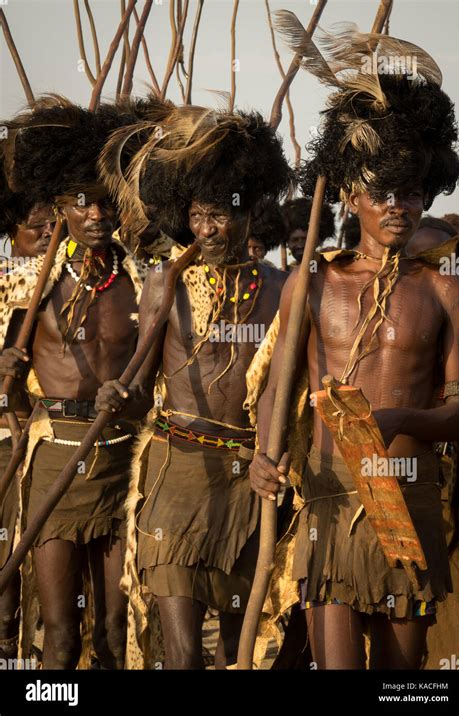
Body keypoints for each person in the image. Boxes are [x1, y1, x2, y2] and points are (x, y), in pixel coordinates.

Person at [249, 26, 459, 669]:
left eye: (409, 191)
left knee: (402, 679)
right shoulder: (311, 283)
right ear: (351, 195)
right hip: (331, 493)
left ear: (426, 192)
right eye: (381, 190)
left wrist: (402, 421)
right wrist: (266, 455)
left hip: (410, 493)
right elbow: (277, 391)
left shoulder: (445, 292)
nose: (397, 205)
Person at [96, 105, 292, 668]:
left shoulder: (284, 289)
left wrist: (272, 459)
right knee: (183, 654)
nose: (206, 230)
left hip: (249, 479)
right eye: (198, 216)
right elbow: (138, 379)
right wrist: (120, 395)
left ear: (251, 211)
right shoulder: (166, 282)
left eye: (218, 217)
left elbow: (288, 393)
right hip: (175, 467)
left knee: (234, 647)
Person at [0, 96, 144, 669]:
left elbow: (159, 372)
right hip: (53, 458)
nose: (96, 215)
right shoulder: (27, 286)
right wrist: (6, 376)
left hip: (120, 464)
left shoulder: (143, 283)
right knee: (60, 637)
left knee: (112, 630)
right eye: (82, 203)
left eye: (106, 202)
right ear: (61, 206)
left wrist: (131, 397)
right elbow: (7, 389)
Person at [0, 162, 56, 661]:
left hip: (37, 438)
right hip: (2, 440)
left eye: (49, 225)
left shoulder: (56, 283)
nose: (44, 235)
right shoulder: (4, 281)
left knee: (25, 558)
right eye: (34, 227)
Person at [280, 197, 335, 268]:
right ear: (287, 243)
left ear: (318, 240)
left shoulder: (328, 269)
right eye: (295, 240)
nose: (300, 245)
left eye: (305, 239)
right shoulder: (279, 276)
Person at [247, 199, 286, 268]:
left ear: (265, 251)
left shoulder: (274, 276)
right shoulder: (225, 276)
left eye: (257, 248)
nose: (251, 254)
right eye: (247, 248)